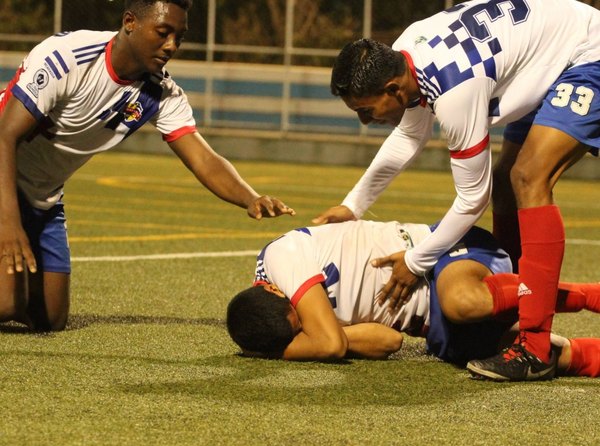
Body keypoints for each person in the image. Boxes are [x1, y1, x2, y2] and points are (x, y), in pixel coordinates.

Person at [312, 0, 600, 381]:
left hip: (585, 51)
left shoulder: (453, 90)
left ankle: (534, 347)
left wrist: (416, 262)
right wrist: (353, 206)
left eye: (366, 110)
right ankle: (513, 314)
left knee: (528, 178)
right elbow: (409, 135)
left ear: (393, 89)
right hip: (550, 55)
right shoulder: (406, 52)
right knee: (506, 188)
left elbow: (470, 201)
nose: (367, 121)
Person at [0, 0, 295, 332]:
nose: (171, 46)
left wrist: (250, 197)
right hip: (3, 181)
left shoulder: (160, 92)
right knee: (7, 303)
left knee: (50, 319)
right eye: (163, 32)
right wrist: (8, 224)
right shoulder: (67, 56)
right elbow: (3, 137)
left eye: (178, 37)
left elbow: (203, 158)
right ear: (130, 22)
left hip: (43, 197)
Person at [226, 220, 600, 379]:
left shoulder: (280, 259)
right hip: (435, 328)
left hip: (445, 254)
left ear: (273, 289)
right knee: (534, 355)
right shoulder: (285, 317)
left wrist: (286, 349)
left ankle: (590, 296)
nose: (305, 322)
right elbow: (387, 341)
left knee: (461, 301)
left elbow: (327, 342)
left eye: (299, 320)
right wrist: (316, 342)